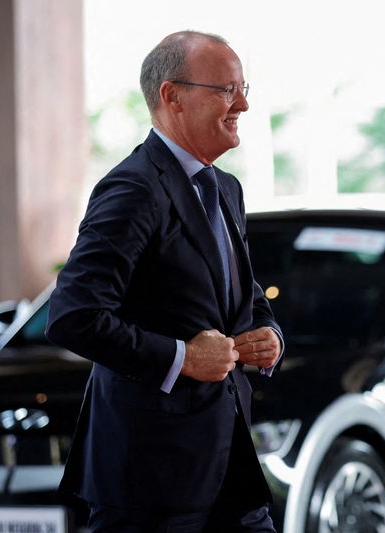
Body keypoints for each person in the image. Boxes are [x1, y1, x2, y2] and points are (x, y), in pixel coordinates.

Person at [45, 30, 284, 532]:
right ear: (171, 96)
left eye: (244, 89)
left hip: (228, 462)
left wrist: (269, 333)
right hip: (149, 480)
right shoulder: (133, 187)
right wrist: (183, 357)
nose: (241, 103)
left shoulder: (226, 188)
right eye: (225, 90)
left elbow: (242, 294)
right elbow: (73, 317)